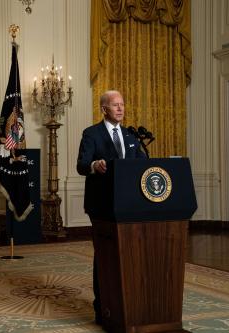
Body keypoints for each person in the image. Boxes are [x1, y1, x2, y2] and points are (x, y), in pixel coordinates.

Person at [76, 90, 146, 324]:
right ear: (104, 109)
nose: (121, 109)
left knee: (129, 255)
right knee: (105, 255)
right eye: (115, 105)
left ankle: (128, 304)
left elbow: (142, 166)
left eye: (123, 105)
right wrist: (95, 164)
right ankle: (102, 307)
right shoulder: (91, 133)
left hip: (130, 206)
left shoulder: (130, 136)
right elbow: (82, 165)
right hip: (102, 206)